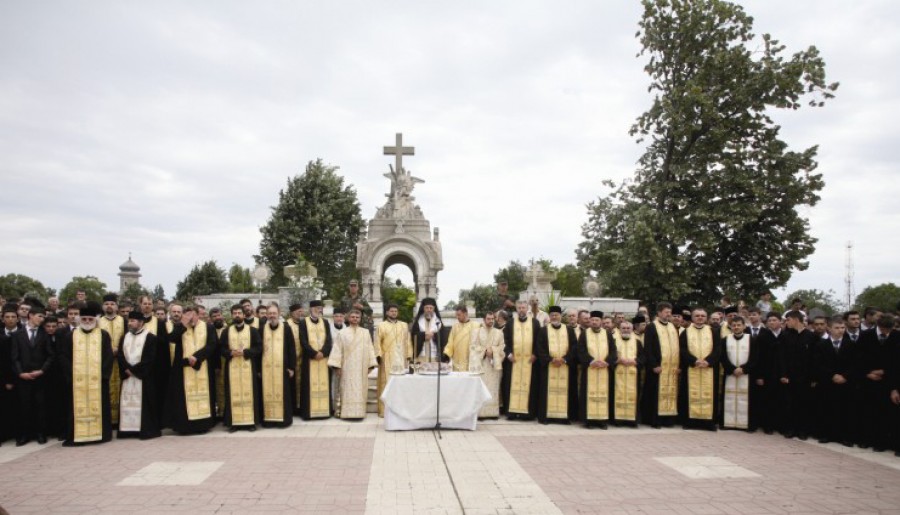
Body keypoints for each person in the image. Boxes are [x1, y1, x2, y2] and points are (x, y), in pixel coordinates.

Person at [57, 301, 114, 446]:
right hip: (77, 382)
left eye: (90, 319)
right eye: (84, 319)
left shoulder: (103, 335)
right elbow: (63, 357)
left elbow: (108, 357)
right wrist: (72, 374)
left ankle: (101, 435)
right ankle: (76, 435)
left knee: (100, 406)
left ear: (95, 320)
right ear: (79, 320)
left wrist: (103, 376)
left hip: (98, 381)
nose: (87, 322)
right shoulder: (71, 335)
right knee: (75, 407)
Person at [165, 306, 216, 435]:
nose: (190, 318)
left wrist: (197, 356)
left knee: (204, 395)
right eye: (186, 316)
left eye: (192, 315)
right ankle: (185, 426)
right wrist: (182, 325)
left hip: (202, 366)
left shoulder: (208, 327)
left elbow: (212, 345)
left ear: (198, 315)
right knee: (183, 398)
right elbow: (171, 338)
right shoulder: (180, 327)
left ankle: (203, 425)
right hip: (183, 369)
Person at [10, 299, 52, 445]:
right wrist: (20, 373)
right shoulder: (17, 335)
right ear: (31, 315)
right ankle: (24, 435)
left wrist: (42, 370)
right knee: (24, 407)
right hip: (23, 378)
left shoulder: (44, 334)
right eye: (40, 316)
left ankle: (40, 433)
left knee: (40, 406)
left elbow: (50, 355)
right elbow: (14, 357)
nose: (42, 319)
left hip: (40, 377)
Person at [117, 311, 160, 440]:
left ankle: (145, 430)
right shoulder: (124, 337)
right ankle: (127, 431)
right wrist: (126, 369)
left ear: (141, 322)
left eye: (133, 321)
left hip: (143, 378)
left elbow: (150, 359)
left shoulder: (151, 337)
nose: (130, 323)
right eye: (129, 321)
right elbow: (120, 355)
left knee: (145, 404)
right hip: (127, 377)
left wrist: (134, 370)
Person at [856, 315, 897, 451]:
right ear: (878, 326)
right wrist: (868, 373)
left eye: (889, 330)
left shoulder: (897, 336)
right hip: (868, 381)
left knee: (886, 414)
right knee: (867, 412)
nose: (886, 333)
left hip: (888, 382)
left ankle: (883, 442)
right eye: (884, 329)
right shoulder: (866, 336)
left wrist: (884, 371)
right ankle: (866, 439)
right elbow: (858, 358)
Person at [328, 309, 377, 419]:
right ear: (348, 318)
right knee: (347, 389)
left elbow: (370, 348)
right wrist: (336, 366)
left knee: (360, 390)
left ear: (360, 319)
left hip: (361, 367)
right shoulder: (342, 333)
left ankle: (359, 413)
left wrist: (371, 365)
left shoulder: (365, 332)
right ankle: (346, 413)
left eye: (357, 317)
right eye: (353, 317)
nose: (355, 319)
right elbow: (337, 350)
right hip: (347, 367)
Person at [812, 316, 853, 446]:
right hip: (827, 383)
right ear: (829, 328)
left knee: (844, 410)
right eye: (837, 328)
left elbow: (855, 364)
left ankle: (844, 436)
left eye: (842, 328)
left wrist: (845, 376)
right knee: (826, 408)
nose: (840, 330)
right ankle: (826, 434)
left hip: (845, 383)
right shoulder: (821, 345)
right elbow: (818, 364)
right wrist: (832, 375)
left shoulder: (850, 344)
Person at [221, 304, 262, 432]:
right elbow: (221, 349)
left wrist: (245, 352)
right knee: (232, 394)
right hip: (232, 367)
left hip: (248, 369)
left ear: (244, 315)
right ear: (232, 315)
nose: (237, 315)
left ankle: (251, 422)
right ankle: (234, 423)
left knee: (251, 394)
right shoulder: (226, 331)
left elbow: (259, 348)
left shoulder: (252, 331)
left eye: (239, 313)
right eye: (235, 313)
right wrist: (230, 353)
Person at [679, 307, 721, 431]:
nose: (700, 318)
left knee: (709, 395)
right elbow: (682, 350)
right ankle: (690, 421)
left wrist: (708, 361)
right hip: (692, 368)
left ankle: (708, 423)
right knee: (689, 394)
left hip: (709, 369)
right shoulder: (685, 332)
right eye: (697, 316)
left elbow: (718, 350)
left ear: (706, 318)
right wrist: (694, 361)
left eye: (702, 316)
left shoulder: (713, 331)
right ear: (692, 318)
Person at [642, 302, 681, 428]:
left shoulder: (672, 327)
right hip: (658, 368)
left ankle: (668, 420)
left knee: (670, 394)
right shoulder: (652, 327)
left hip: (671, 369)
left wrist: (678, 365)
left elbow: (677, 348)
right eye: (666, 312)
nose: (668, 314)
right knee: (655, 394)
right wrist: (654, 365)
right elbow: (648, 349)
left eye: (670, 312)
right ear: (659, 313)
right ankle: (655, 420)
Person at [535, 306, 576, 424]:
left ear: (561, 316)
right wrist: (550, 360)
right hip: (548, 366)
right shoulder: (543, 330)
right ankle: (546, 417)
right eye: (552, 315)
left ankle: (563, 417)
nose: (554, 317)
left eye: (556, 315)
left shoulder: (569, 330)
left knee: (565, 391)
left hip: (565, 367)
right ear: (549, 316)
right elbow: (540, 348)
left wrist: (565, 359)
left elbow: (574, 347)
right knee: (546, 392)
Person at [503, 300, 541, 421]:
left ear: (527, 309)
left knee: (530, 386)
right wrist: (509, 354)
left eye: (523, 308)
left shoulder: (535, 323)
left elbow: (539, 341)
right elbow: (505, 341)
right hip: (514, 362)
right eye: (519, 308)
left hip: (530, 362)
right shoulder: (510, 323)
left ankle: (527, 414)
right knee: (511, 385)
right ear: (516, 309)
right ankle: (512, 413)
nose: (521, 310)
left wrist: (535, 354)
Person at [259, 303, 296, 428]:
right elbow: (259, 350)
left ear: (279, 313)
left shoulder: (286, 328)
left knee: (283, 394)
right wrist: (258, 369)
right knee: (266, 392)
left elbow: (292, 348)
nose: (272, 316)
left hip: (282, 368)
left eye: (274, 313)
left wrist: (291, 367)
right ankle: (268, 420)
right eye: (269, 313)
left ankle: (284, 420)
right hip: (266, 369)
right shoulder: (262, 328)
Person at [578, 310, 615, 428]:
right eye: (592, 320)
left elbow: (613, 351)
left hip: (604, 369)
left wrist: (606, 362)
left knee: (604, 394)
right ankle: (588, 421)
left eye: (597, 320)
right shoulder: (584, 334)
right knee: (588, 394)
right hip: (590, 369)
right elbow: (580, 350)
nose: (594, 322)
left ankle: (602, 421)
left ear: (601, 322)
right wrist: (591, 361)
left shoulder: (607, 334)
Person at [298, 299, 334, 420]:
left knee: (324, 384)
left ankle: (324, 412)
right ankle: (309, 413)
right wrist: (314, 353)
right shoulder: (303, 323)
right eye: (316, 308)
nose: (318, 310)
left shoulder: (325, 322)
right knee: (309, 386)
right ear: (310, 309)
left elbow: (329, 340)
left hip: (323, 360)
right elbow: (303, 341)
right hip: (310, 360)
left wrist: (323, 352)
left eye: (320, 308)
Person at [720, 316, 757, 431]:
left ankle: (745, 424)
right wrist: (732, 369)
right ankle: (728, 423)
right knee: (728, 398)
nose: (736, 327)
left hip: (746, 375)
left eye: (738, 325)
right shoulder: (725, 340)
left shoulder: (752, 340)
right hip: (730, 374)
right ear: (730, 326)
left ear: (744, 326)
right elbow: (723, 357)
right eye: (734, 325)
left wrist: (743, 369)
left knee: (747, 399)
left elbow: (755, 358)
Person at [375, 303, 411, 417]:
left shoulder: (404, 325)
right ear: (387, 312)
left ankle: (399, 410)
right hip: (387, 358)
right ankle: (384, 410)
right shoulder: (381, 325)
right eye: (391, 311)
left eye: (395, 311)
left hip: (401, 359)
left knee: (400, 384)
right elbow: (377, 342)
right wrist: (378, 355)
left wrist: (409, 355)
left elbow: (408, 341)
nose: (393, 313)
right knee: (386, 383)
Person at [138, 295, 169, 427]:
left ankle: (158, 422)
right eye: (145, 303)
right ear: (140, 305)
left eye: (149, 304)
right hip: (139, 365)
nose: (147, 306)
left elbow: (165, 343)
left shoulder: (160, 323)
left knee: (157, 393)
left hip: (157, 364)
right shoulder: (135, 321)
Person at [470, 311, 505, 419]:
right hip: (481, 364)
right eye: (488, 319)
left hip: (493, 365)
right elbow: (472, 347)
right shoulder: (476, 332)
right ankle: (480, 413)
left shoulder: (499, 333)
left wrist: (493, 351)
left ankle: (493, 413)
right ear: (484, 319)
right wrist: (485, 351)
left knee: (493, 388)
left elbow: (502, 347)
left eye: (492, 319)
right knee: (481, 388)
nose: (491, 321)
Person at [98, 293, 126, 428]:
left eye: (112, 304)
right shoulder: (98, 322)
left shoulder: (124, 321)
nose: (109, 306)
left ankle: (121, 420)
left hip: (121, 361)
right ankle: (107, 420)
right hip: (105, 362)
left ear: (116, 306)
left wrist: (119, 351)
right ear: (103, 306)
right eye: (107, 304)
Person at [613, 320, 641, 427]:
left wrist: (635, 361)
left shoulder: (637, 342)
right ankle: (618, 420)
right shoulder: (614, 341)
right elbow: (610, 355)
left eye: (628, 328)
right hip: (617, 374)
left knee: (633, 396)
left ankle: (632, 421)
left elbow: (643, 357)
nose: (626, 330)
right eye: (623, 328)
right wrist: (618, 360)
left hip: (633, 374)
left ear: (632, 329)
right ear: (619, 330)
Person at [0, 303, 18, 445]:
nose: (10, 319)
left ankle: (20, 432)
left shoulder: (24, 333)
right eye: (7, 317)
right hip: (4, 378)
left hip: (23, 376)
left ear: (17, 319)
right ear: (3, 319)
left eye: (13, 317)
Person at [285, 303, 305, 415]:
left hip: (303, 359)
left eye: (302, 311)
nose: (301, 314)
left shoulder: (304, 324)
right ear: (292, 313)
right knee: (292, 385)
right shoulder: (286, 324)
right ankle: (293, 408)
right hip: (291, 360)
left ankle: (301, 406)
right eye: (298, 312)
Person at [443, 306, 476, 371]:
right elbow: (450, 342)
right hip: (456, 363)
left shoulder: (475, 326)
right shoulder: (455, 327)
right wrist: (446, 355)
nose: (457, 317)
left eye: (459, 315)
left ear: (465, 314)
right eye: (456, 315)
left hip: (469, 362)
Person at [411, 298, 443, 363]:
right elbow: (413, 335)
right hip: (421, 356)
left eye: (431, 308)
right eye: (427, 308)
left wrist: (434, 336)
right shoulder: (418, 321)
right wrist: (423, 336)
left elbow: (443, 338)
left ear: (434, 309)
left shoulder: (438, 322)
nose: (429, 310)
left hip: (434, 356)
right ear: (423, 308)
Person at [209, 307, 228, 419]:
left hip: (227, 363)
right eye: (214, 316)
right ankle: (219, 412)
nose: (217, 318)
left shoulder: (228, 329)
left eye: (218, 315)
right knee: (217, 388)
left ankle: (226, 412)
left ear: (222, 316)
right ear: (211, 318)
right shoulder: (209, 330)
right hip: (215, 364)